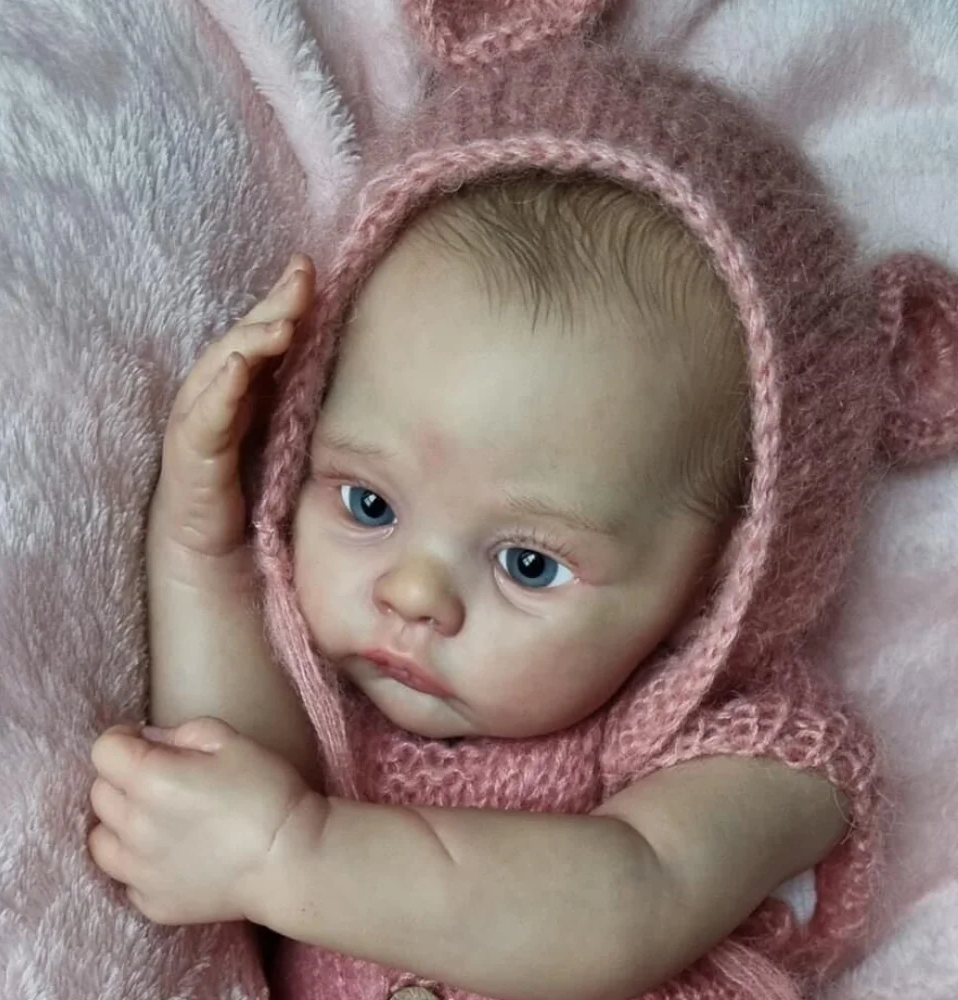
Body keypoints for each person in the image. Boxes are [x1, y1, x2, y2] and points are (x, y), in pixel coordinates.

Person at [87, 47, 906, 1000]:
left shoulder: (752, 747)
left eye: (527, 563)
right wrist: (200, 545)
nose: (413, 594)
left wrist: (293, 852)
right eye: (369, 504)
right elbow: (232, 770)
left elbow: (630, 902)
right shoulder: (342, 699)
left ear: (725, 578)